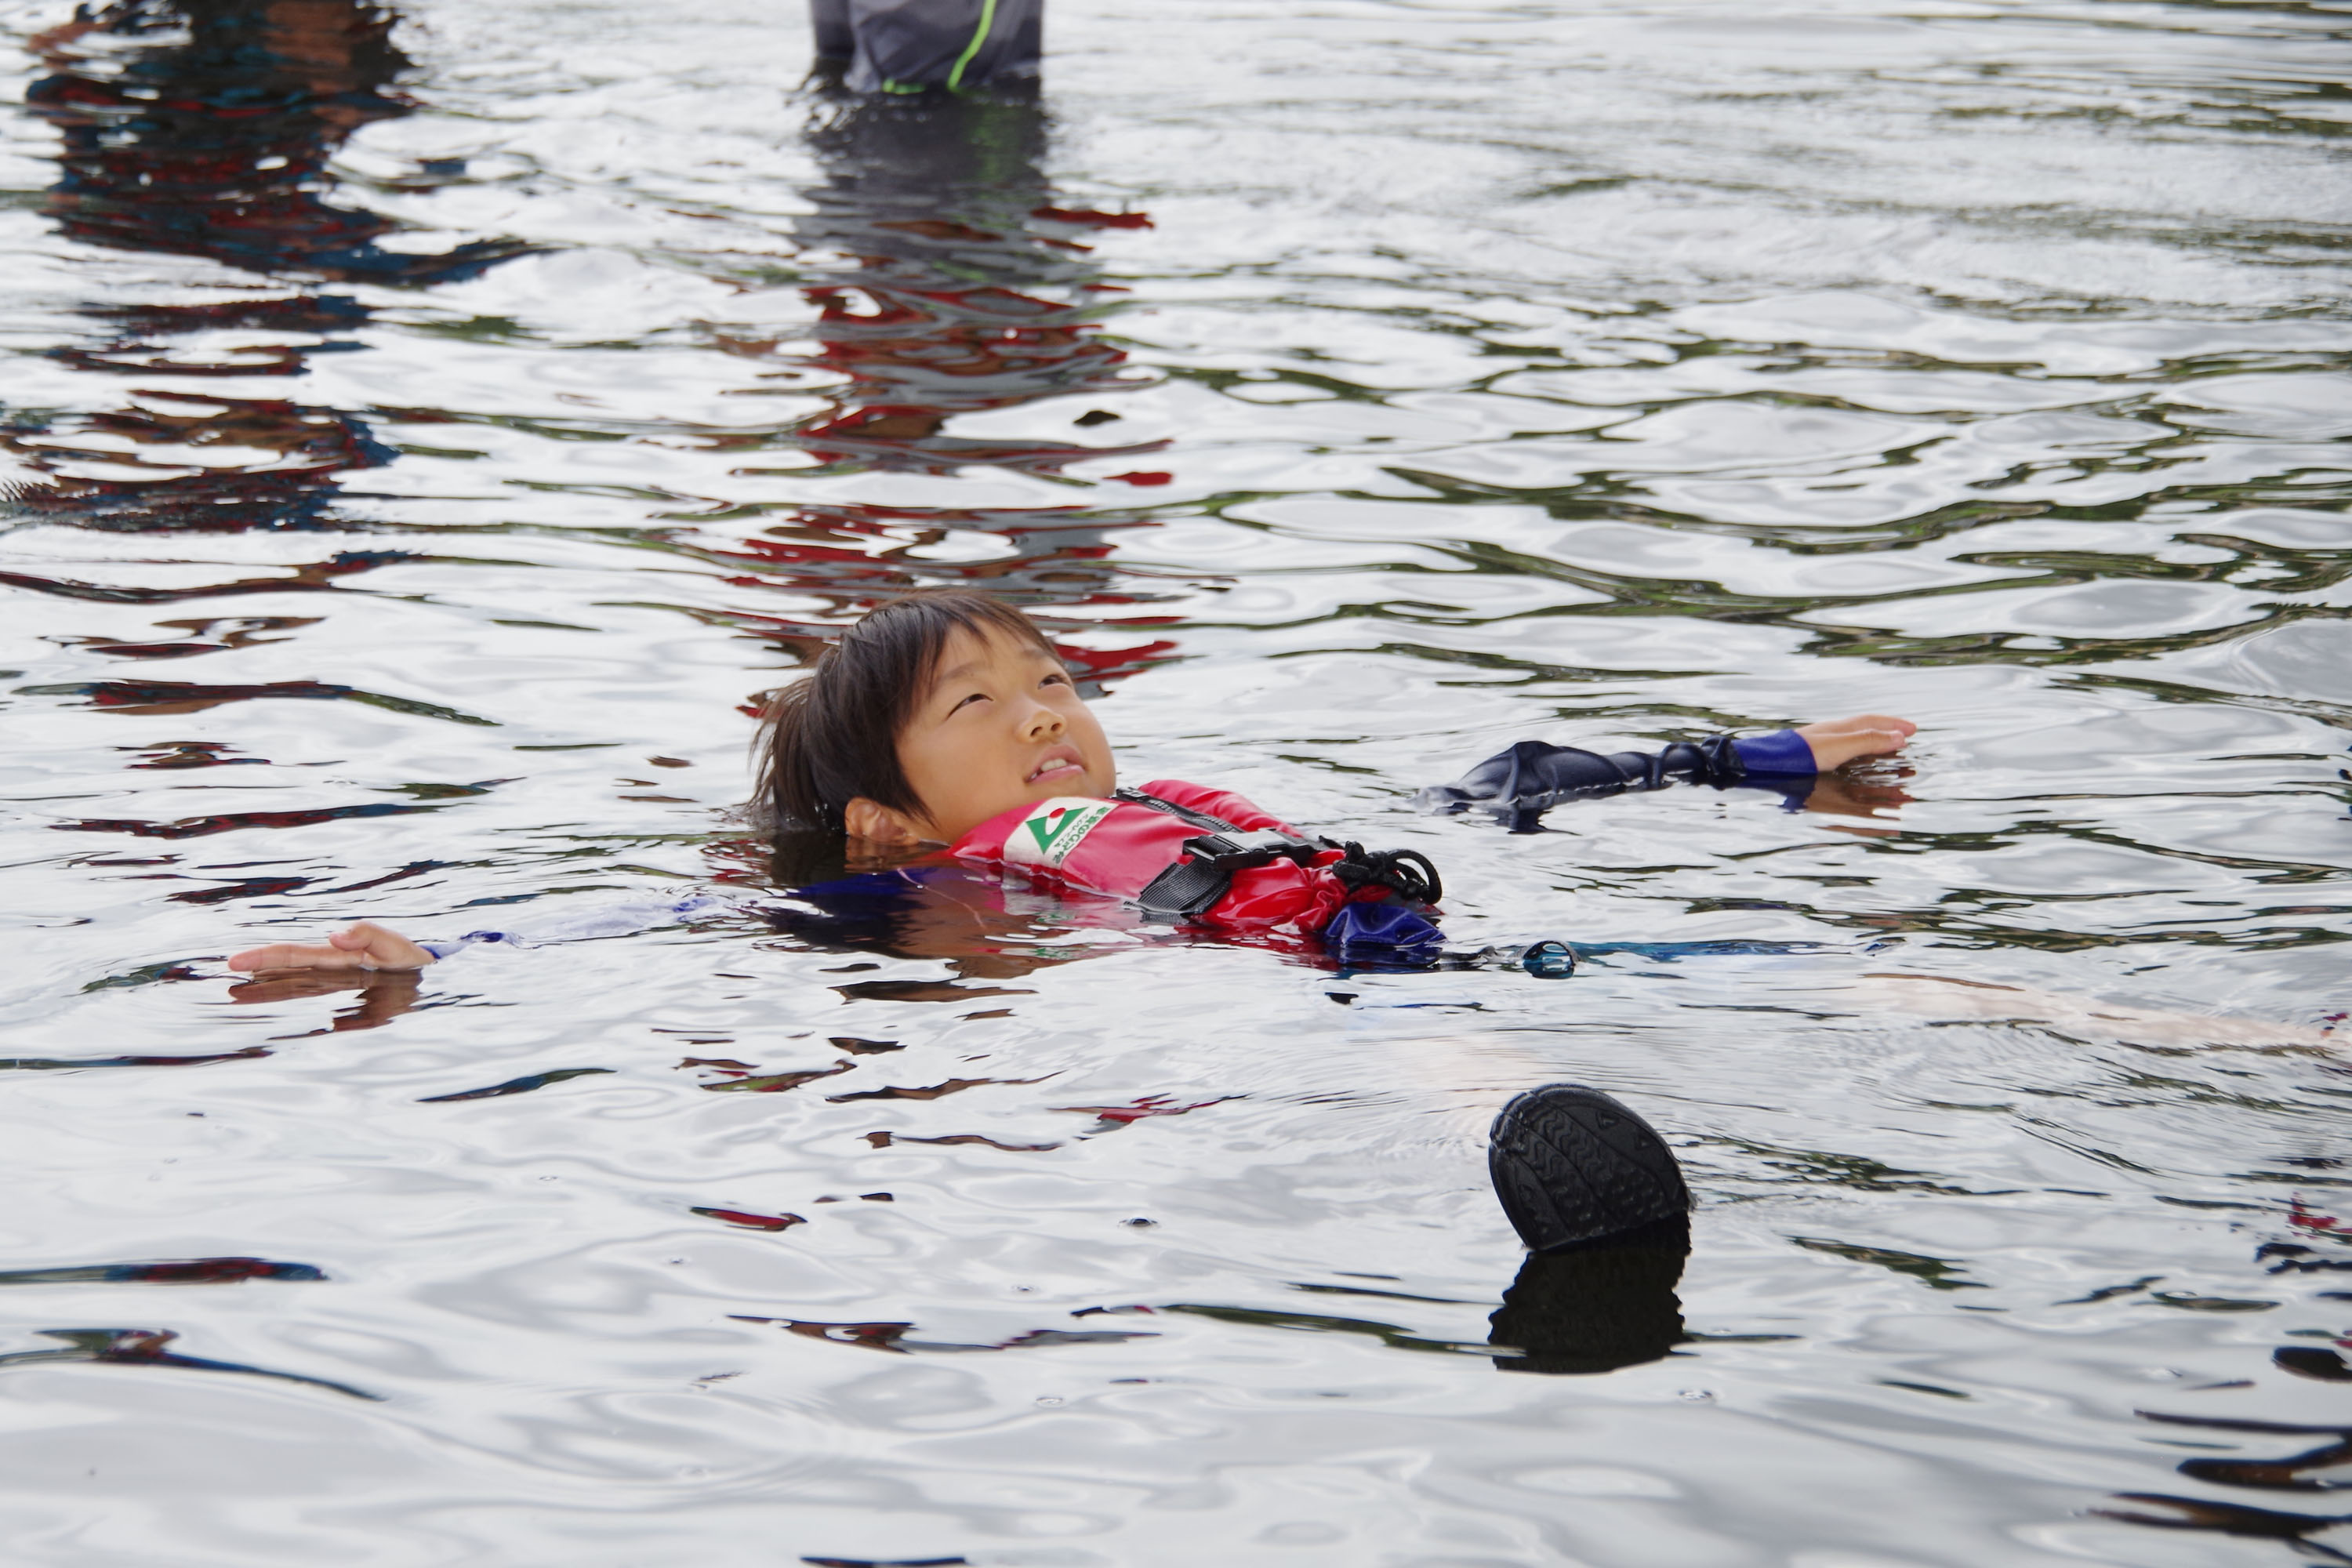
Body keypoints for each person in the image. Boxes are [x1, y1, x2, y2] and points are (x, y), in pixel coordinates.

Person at [225, 592, 1915, 977]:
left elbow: (1500, 789)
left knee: (1892, 981)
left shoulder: (1180, 808)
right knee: (1457, 1052)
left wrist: (1755, 761)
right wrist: (439, 955)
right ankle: (1562, 1187)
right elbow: (660, 922)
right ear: (891, 813)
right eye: (979, 703)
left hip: (1404, 937)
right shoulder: (922, 884)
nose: (1047, 717)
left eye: (1058, 681)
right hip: (1357, 1005)